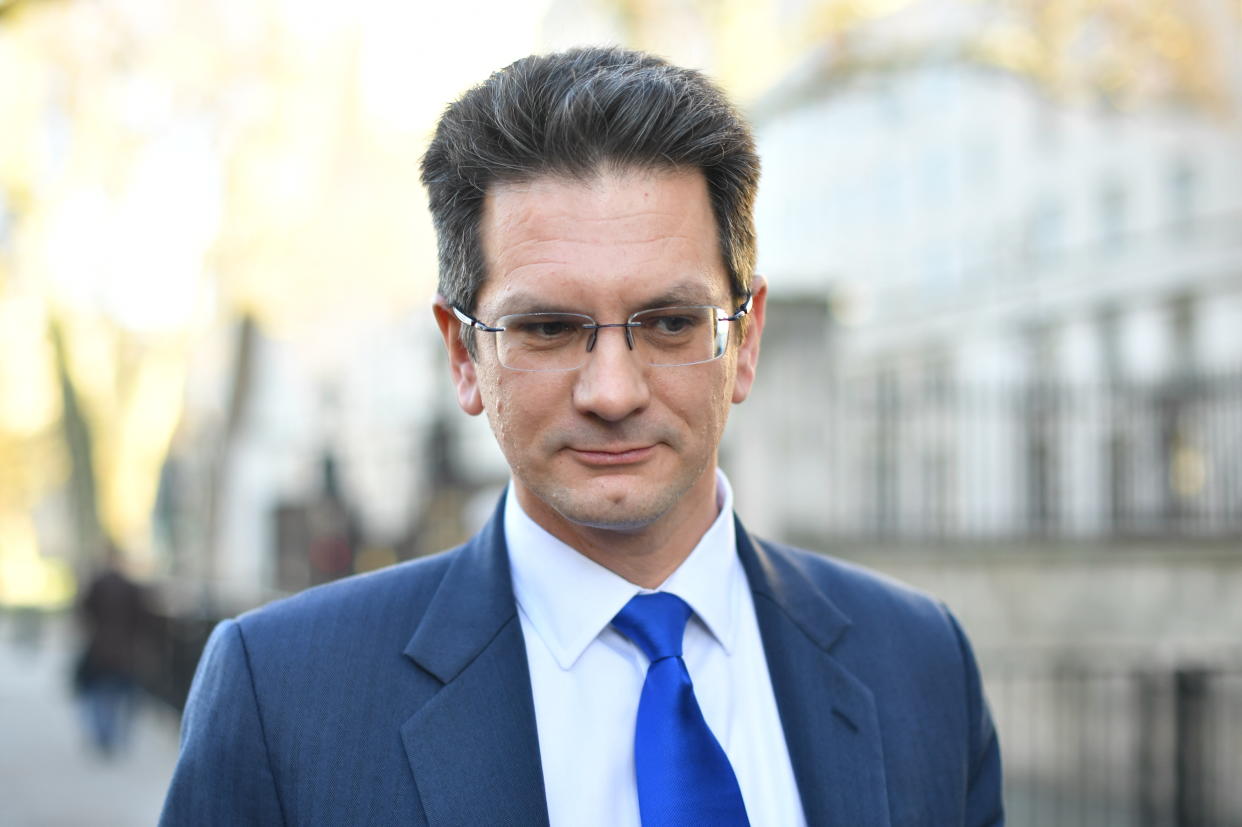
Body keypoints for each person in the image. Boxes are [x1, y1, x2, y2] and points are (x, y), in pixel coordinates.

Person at [161, 47, 1002, 826]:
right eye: (551, 329)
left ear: (744, 344)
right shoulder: (283, 694)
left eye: (671, 321)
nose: (612, 391)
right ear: (462, 356)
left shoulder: (921, 665)